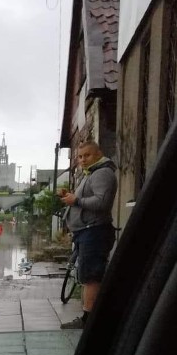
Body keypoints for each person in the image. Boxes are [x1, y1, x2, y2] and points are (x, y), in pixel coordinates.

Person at [59, 140, 118, 329]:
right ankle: (89, 315)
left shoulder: (102, 173)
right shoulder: (91, 173)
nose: (83, 160)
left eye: (87, 155)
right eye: (80, 156)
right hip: (86, 232)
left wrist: (75, 200)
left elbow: (102, 203)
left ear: (98, 154)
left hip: (94, 232)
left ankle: (88, 320)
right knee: (87, 274)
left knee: (91, 276)